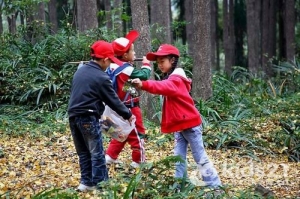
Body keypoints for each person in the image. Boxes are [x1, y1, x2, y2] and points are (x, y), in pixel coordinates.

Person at [131, 44, 222, 187]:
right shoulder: (172, 78)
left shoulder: (175, 80)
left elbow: (162, 87)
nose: (159, 65)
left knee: (200, 157)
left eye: (162, 61)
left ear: (172, 60)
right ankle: (178, 186)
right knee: (178, 158)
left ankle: (215, 187)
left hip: (190, 125)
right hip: (180, 126)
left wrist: (143, 84)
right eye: (158, 62)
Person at [68, 40, 135, 191]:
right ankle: (101, 186)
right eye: (110, 60)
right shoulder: (101, 77)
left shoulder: (80, 70)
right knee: (97, 153)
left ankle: (86, 183)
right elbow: (113, 100)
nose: (110, 64)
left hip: (73, 117)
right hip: (88, 117)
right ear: (104, 59)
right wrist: (128, 114)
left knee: (83, 153)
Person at [105, 30, 151, 168]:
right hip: (130, 107)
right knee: (138, 133)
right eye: (133, 51)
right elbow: (144, 75)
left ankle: (110, 156)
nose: (135, 54)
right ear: (125, 55)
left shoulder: (110, 66)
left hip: (114, 107)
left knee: (120, 132)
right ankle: (138, 161)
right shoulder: (125, 69)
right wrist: (146, 64)